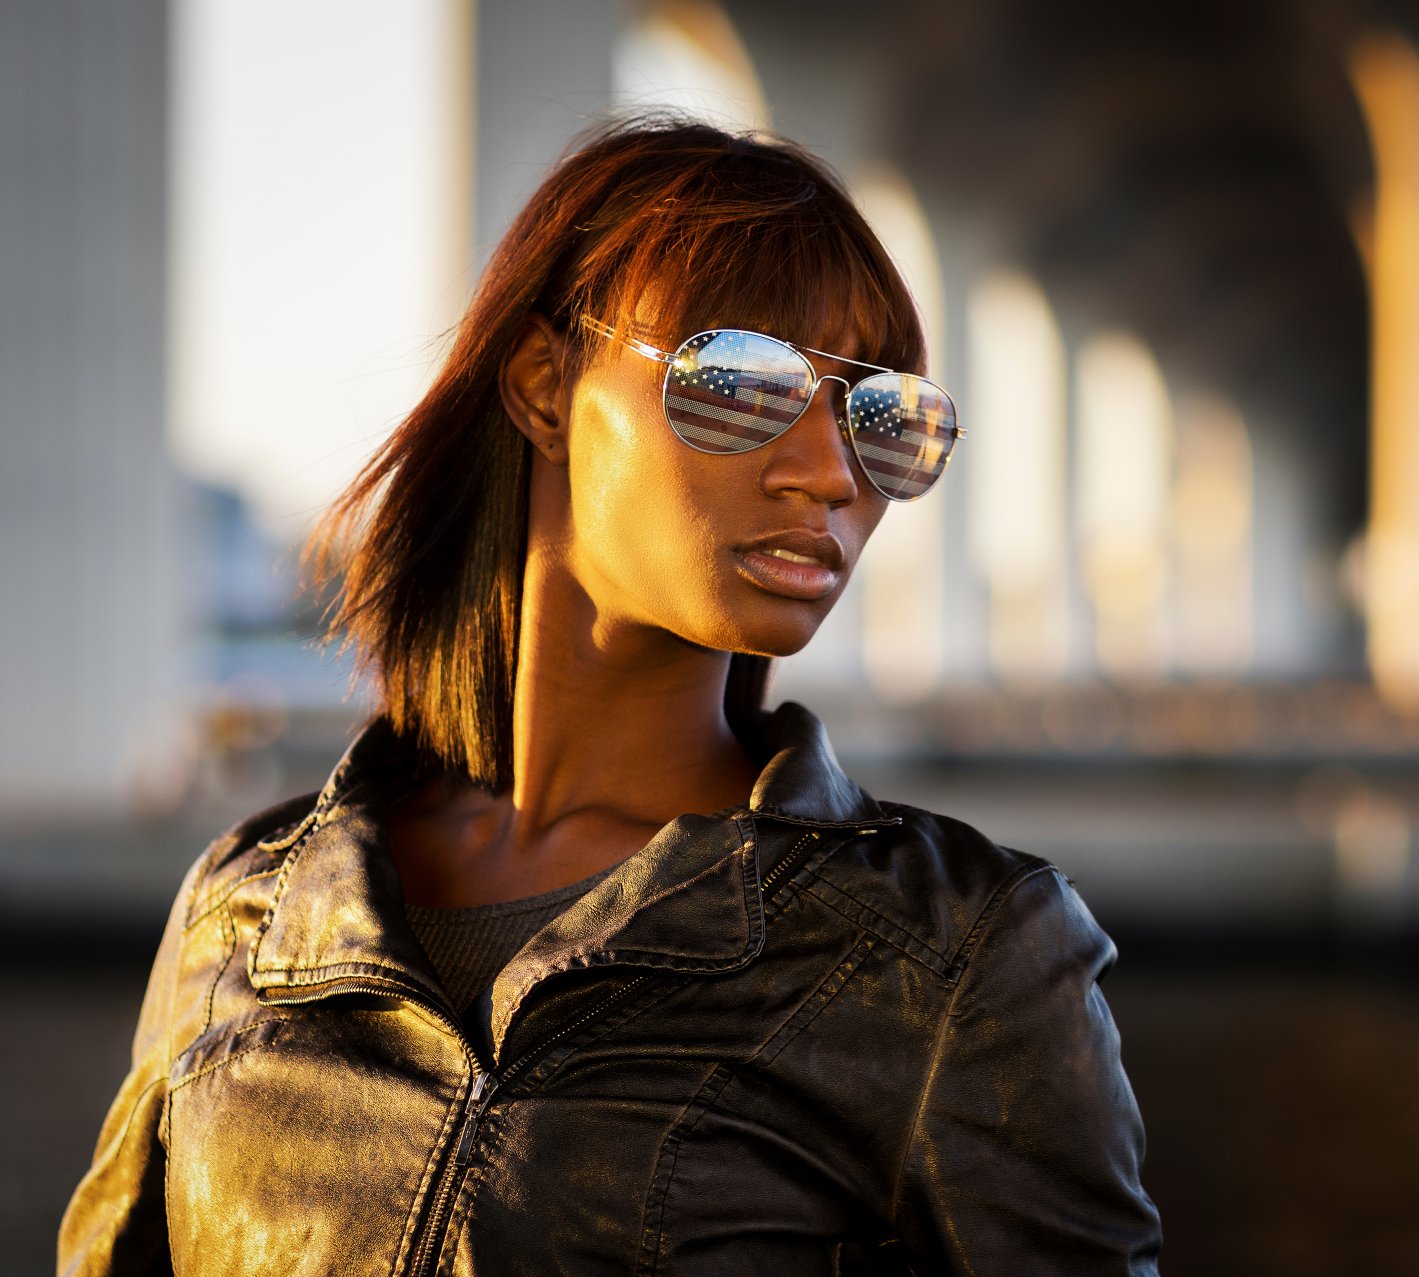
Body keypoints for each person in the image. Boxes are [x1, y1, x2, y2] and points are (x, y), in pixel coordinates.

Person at [57, 116, 1163, 1275]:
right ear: (543, 385)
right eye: (742, 380)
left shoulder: (956, 957)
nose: (832, 472)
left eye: (883, 416)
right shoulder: (248, 908)